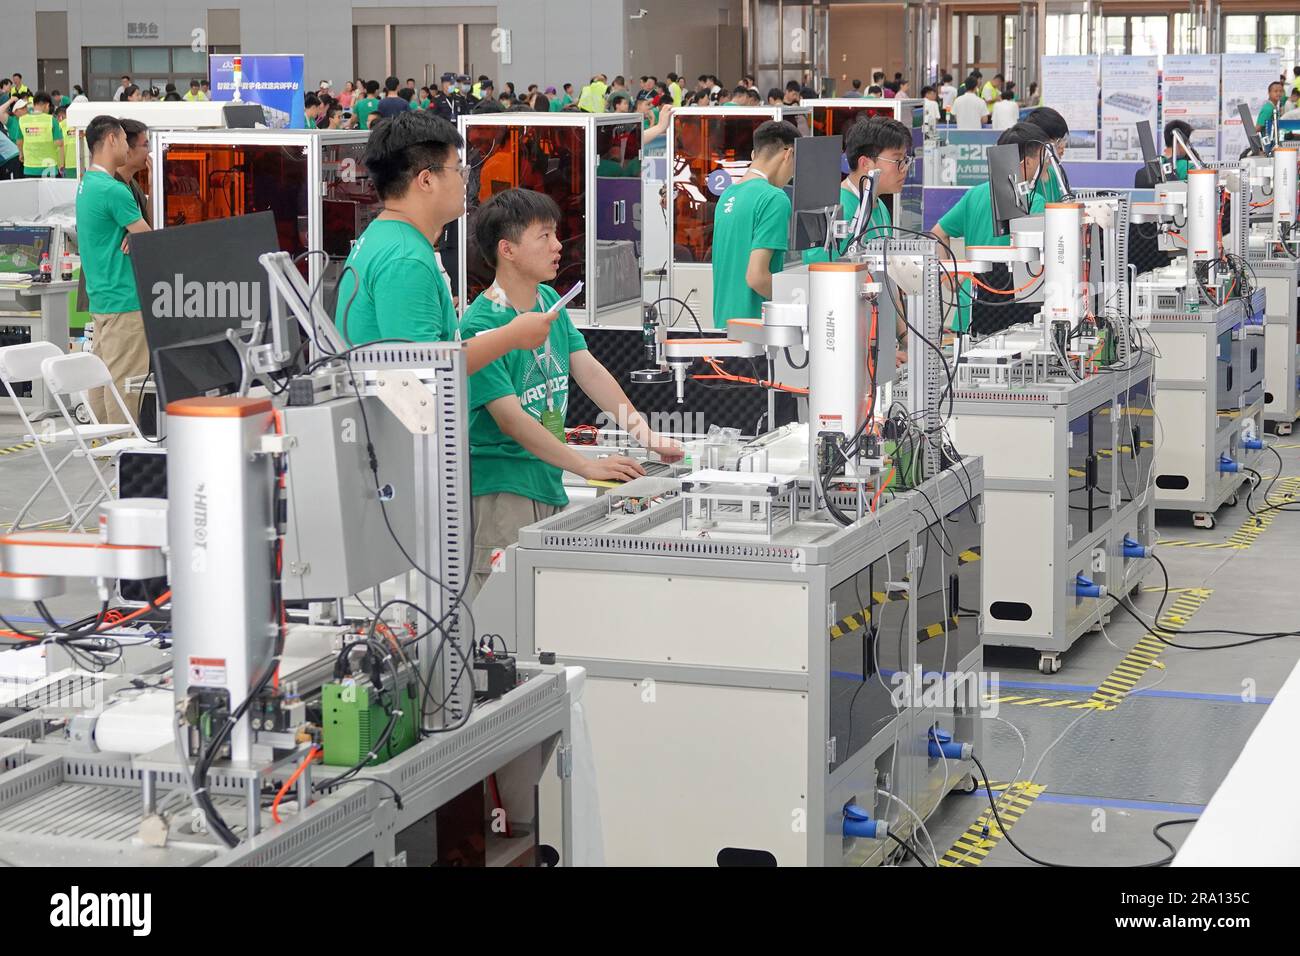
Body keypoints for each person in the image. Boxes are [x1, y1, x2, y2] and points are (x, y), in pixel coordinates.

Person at [462, 188, 683, 596]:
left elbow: (588, 370)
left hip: (547, 478)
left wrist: (644, 434)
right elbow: (509, 418)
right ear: (507, 249)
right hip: (504, 490)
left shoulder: (548, 300)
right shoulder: (482, 324)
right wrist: (585, 466)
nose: (558, 246)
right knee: (498, 617)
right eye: (544, 236)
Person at [932, 122, 1050, 334]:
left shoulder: (975, 194)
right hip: (1012, 310)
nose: (1048, 163)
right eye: (1044, 156)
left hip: (970, 307)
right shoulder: (1035, 202)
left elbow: (938, 233)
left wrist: (950, 279)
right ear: (1028, 162)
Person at [76, 115, 152, 425]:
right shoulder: (114, 191)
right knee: (126, 384)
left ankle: (103, 445)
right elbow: (151, 243)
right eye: (124, 140)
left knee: (103, 377)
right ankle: (121, 452)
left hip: (102, 300)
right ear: (111, 140)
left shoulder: (86, 185)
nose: (127, 147)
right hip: (125, 302)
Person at [711, 119, 798, 328]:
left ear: (754, 154)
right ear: (789, 154)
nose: (793, 174)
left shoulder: (727, 195)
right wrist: (800, 301)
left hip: (724, 327)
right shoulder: (774, 198)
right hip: (758, 333)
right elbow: (757, 277)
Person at [804, 116, 911, 267]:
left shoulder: (879, 205)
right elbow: (817, 272)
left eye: (906, 160)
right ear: (865, 163)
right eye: (897, 161)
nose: (904, 168)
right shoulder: (833, 209)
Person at [1023, 106, 1070, 200]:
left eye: (1064, 139)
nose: (1062, 146)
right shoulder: (1028, 176)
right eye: (1058, 141)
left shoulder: (1052, 172)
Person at [15, 93, 64, 178]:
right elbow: (59, 143)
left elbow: (19, 141)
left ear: (34, 104)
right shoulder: (51, 120)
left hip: (30, 167)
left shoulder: (22, 120)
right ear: (47, 105)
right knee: (49, 191)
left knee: (32, 191)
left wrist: (21, 154)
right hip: (49, 167)